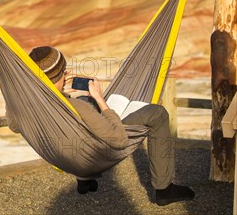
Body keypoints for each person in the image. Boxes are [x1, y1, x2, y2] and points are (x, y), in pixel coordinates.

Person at [20, 46, 195, 206]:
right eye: (63, 71)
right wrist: (99, 98)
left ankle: (85, 180)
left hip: (64, 156)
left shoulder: (27, 106)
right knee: (158, 114)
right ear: (61, 74)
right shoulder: (77, 108)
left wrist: (60, 93)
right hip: (89, 157)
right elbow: (118, 139)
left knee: (84, 100)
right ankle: (165, 189)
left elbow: (16, 125)